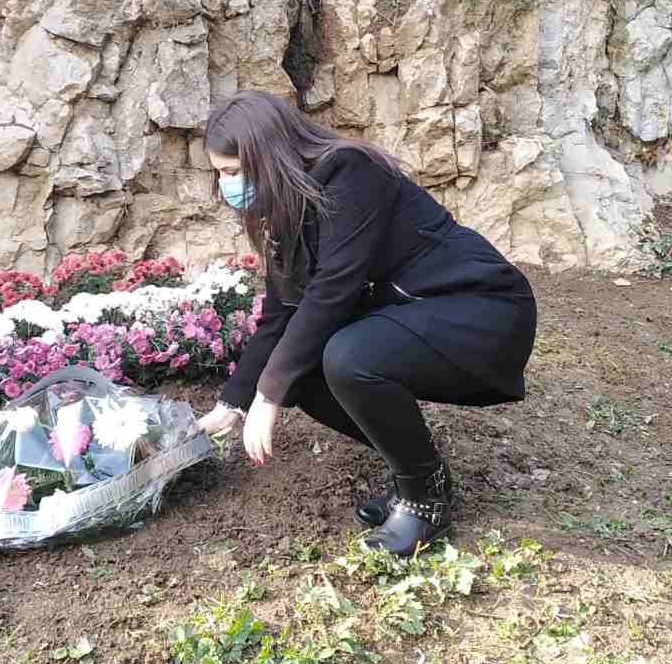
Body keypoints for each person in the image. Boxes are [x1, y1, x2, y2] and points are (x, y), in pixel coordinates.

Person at [195, 90, 538, 556]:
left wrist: (268, 396)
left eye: (234, 171)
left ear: (268, 157)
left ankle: (425, 500)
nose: (227, 186)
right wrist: (233, 403)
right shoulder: (285, 208)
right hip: (417, 316)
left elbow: (333, 289)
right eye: (220, 173)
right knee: (302, 372)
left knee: (347, 356)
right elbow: (281, 312)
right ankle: (421, 471)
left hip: (483, 313)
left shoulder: (351, 172)